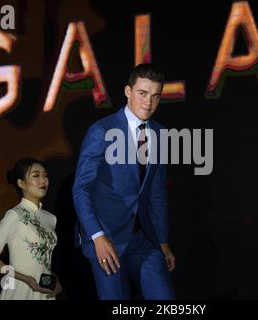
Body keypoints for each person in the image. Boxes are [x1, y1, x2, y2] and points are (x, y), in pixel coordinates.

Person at [73, 63, 176, 300]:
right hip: (107, 238)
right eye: (142, 93)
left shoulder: (160, 133)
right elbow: (81, 189)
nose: (148, 103)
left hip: (145, 241)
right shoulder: (101, 131)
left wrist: (162, 240)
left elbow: (156, 193)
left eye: (155, 96)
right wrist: (97, 236)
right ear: (128, 91)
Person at [0, 158, 62, 300]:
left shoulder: (51, 218)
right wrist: (25, 278)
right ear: (21, 183)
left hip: (44, 291)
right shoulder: (14, 215)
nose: (43, 180)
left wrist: (56, 282)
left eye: (45, 175)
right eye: (36, 175)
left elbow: (43, 262)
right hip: (20, 289)